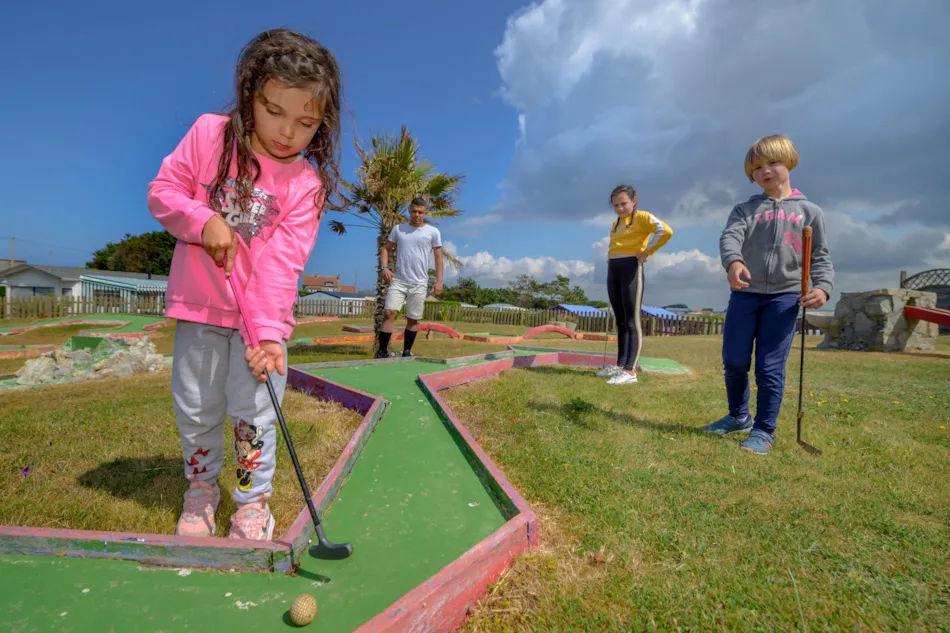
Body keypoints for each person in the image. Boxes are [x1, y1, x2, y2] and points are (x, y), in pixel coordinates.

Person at [146, 29, 343, 540]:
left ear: (322, 122)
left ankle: (252, 504)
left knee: (255, 410)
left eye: (305, 122)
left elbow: (284, 262)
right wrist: (201, 219)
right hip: (200, 307)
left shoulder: (306, 185)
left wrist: (271, 333)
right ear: (249, 95)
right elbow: (164, 192)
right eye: (274, 111)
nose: (286, 132)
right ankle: (201, 490)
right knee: (197, 405)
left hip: (261, 322)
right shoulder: (210, 135)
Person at [703, 134, 834, 455]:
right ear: (751, 174)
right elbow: (730, 238)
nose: (766, 171)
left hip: (785, 298)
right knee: (734, 360)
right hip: (745, 295)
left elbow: (820, 257)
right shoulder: (745, 209)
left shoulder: (809, 212)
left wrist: (822, 288)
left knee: (769, 367)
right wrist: (733, 262)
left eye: (773, 162)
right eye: (757, 167)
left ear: (790, 162)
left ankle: (763, 430)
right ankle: (738, 416)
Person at [598, 185, 673, 385]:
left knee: (632, 321)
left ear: (634, 201)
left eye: (623, 204)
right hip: (614, 267)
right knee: (620, 320)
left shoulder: (643, 217)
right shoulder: (616, 223)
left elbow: (665, 232)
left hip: (632, 267)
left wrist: (648, 251)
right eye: (616, 205)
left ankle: (630, 370)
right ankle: (620, 365)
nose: (620, 208)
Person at [376, 198, 443, 358]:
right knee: (389, 313)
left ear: (425, 213)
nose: (417, 215)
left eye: (420, 212)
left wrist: (439, 281)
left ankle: (406, 352)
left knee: (413, 319)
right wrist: (384, 267)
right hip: (399, 280)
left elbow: (439, 257)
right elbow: (386, 249)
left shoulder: (433, 232)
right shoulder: (398, 229)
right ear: (409, 211)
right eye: (414, 212)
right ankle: (382, 351)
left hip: (419, 282)